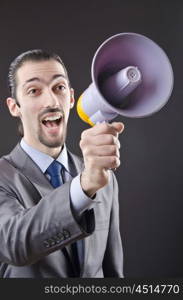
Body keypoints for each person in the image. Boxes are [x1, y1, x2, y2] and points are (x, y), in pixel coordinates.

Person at [0, 49, 124, 278]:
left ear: (71, 98)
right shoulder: (3, 177)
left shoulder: (105, 178)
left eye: (59, 88)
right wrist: (83, 187)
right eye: (34, 91)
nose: (51, 100)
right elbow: (12, 243)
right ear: (14, 106)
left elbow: (113, 272)